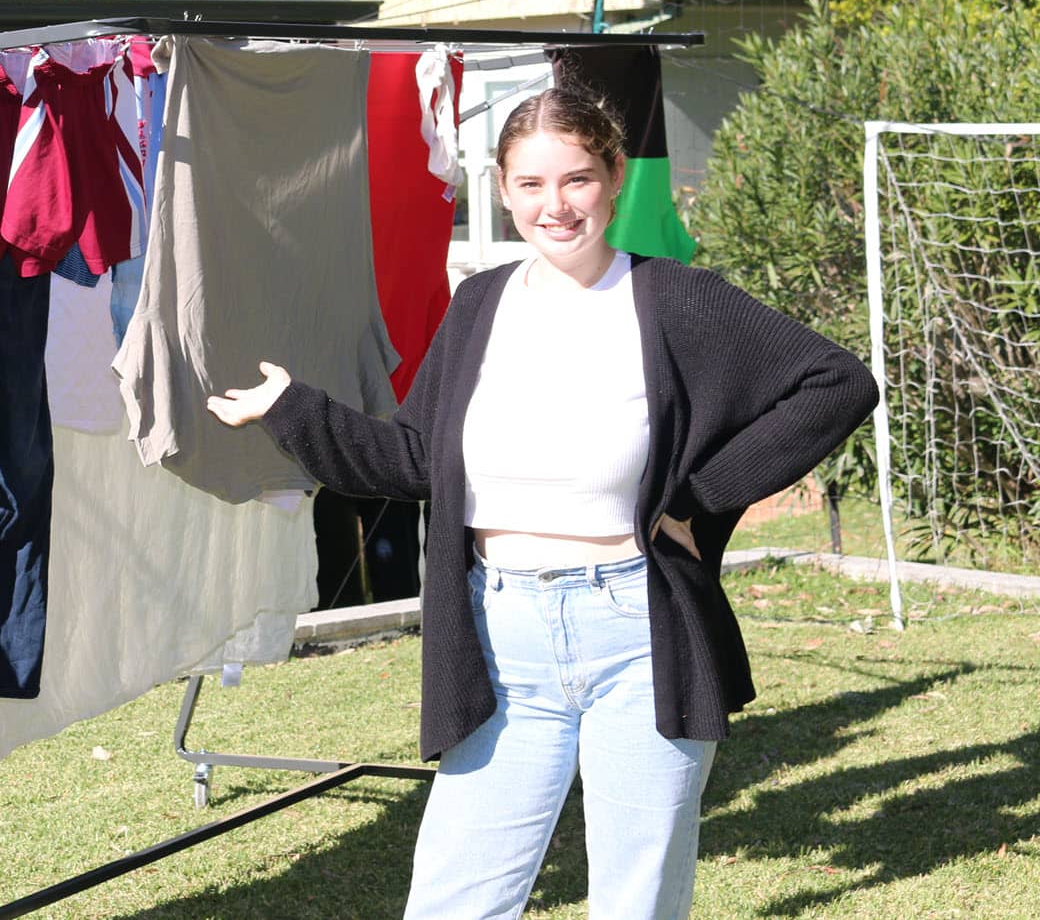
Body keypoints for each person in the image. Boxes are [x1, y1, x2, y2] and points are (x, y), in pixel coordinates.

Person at [206, 85, 878, 920]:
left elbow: (836, 383)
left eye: (577, 180)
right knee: (455, 899)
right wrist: (292, 411)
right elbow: (417, 459)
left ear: (614, 178)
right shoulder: (480, 304)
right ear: (501, 187)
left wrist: (700, 500)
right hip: (500, 637)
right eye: (530, 184)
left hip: (639, 630)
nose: (554, 205)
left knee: (635, 902)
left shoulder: (672, 300)